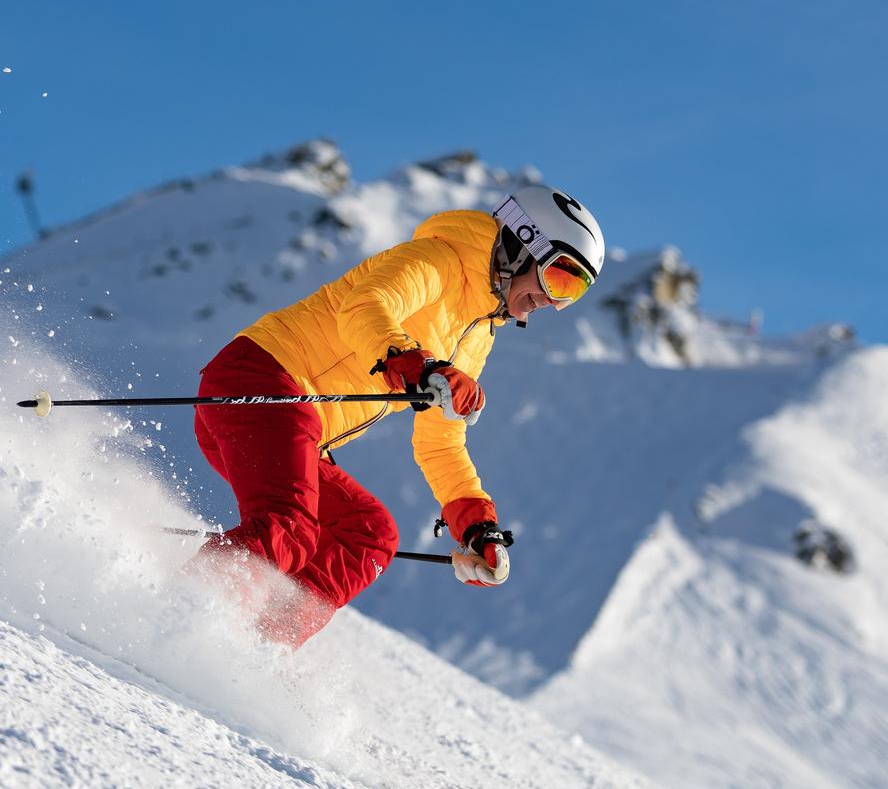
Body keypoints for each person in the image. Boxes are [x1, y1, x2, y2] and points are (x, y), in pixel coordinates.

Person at [192, 185, 605, 646]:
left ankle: (257, 646)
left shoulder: (477, 333)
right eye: (558, 279)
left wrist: (474, 523)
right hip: (263, 378)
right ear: (521, 244)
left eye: (573, 293)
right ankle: (182, 610)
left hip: (298, 428)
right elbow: (364, 306)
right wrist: (416, 364)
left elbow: (440, 441)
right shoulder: (440, 260)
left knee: (368, 534)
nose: (553, 302)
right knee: (289, 528)